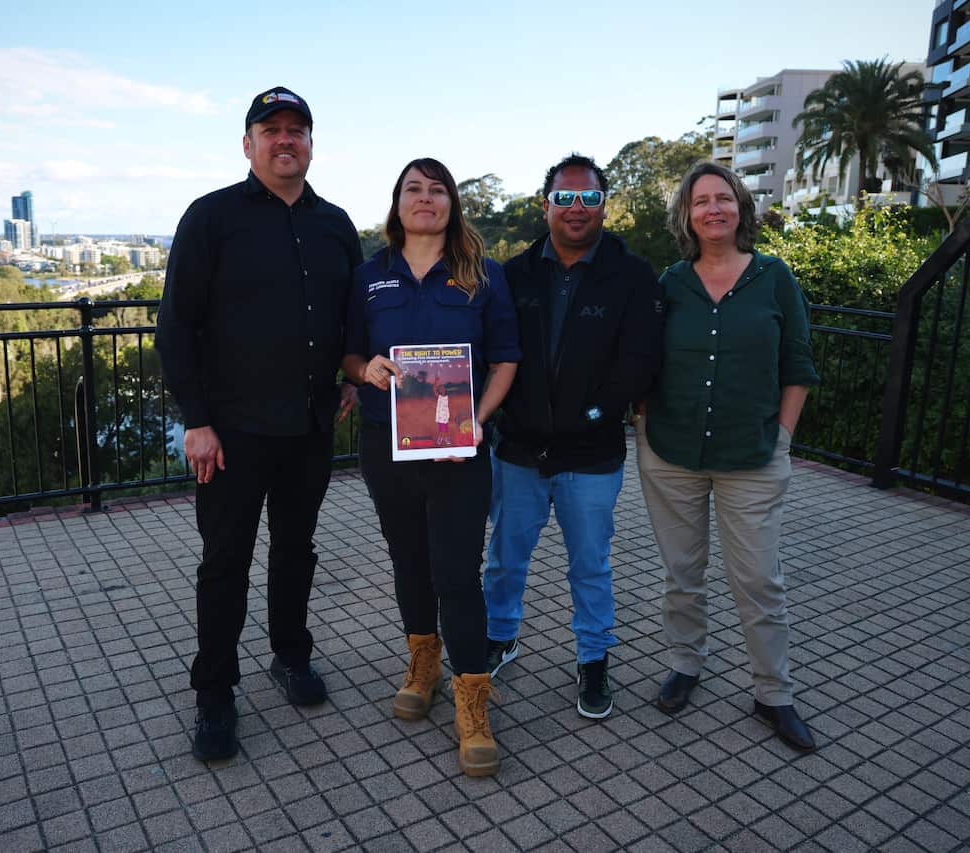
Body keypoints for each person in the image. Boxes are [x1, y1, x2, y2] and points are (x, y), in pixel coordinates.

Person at [155, 86, 363, 763]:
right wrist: (196, 421)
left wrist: (350, 374)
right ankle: (215, 692)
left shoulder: (336, 225)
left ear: (311, 145)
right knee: (225, 563)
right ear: (247, 144)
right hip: (232, 432)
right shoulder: (211, 217)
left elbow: (352, 316)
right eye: (270, 129)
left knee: (296, 550)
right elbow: (175, 326)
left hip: (309, 425)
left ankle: (291, 654)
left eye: (296, 129)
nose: (285, 139)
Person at [343, 157, 520, 776]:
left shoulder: (483, 275)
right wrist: (363, 369)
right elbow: (348, 353)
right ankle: (423, 663)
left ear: (452, 204)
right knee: (408, 560)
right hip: (385, 445)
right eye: (413, 189)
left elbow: (506, 360)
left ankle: (472, 699)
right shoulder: (369, 276)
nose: (425, 198)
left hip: (458, 450)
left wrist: (478, 420)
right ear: (397, 204)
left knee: (457, 573)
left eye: (437, 189)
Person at [636, 161, 819, 752]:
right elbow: (641, 359)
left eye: (723, 198)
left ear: (741, 207)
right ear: (686, 216)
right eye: (700, 201)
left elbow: (798, 364)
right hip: (671, 453)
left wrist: (783, 438)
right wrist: (643, 423)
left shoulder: (774, 277)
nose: (712, 209)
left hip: (753, 455)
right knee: (682, 574)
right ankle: (685, 664)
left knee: (759, 580)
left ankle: (774, 693)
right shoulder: (670, 283)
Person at [482, 153, 663, 719]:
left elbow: (639, 361)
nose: (577, 207)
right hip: (518, 450)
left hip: (591, 454)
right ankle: (499, 635)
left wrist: (594, 414)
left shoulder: (633, 276)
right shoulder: (513, 273)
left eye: (589, 197)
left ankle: (593, 658)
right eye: (565, 197)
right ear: (547, 206)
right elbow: (492, 351)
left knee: (591, 565)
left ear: (605, 206)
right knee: (504, 558)